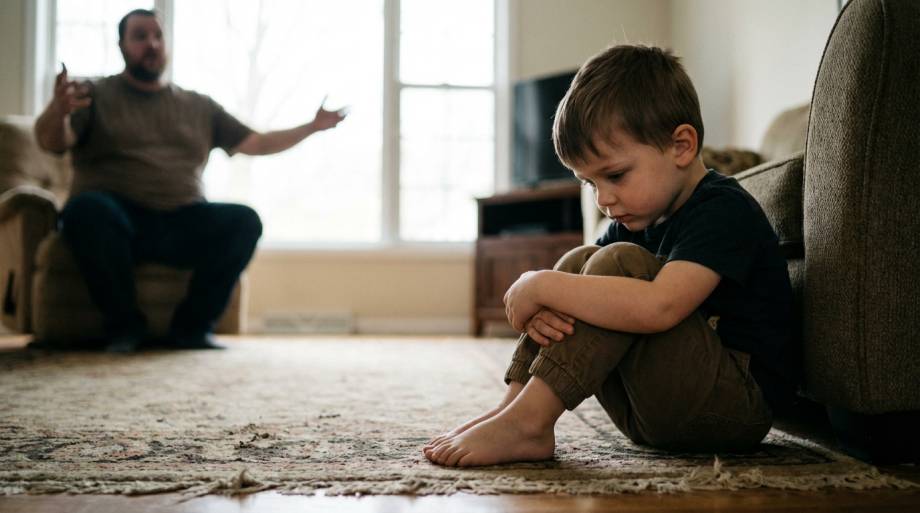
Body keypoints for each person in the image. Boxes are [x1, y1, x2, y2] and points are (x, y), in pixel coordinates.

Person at [424, 45, 797, 467]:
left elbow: (661, 306)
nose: (604, 198)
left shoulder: (723, 209)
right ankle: (514, 409)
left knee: (614, 265)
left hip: (733, 412)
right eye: (590, 183)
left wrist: (541, 284)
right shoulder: (637, 219)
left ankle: (528, 424)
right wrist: (554, 292)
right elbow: (580, 294)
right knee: (581, 263)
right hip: (650, 410)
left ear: (681, 146)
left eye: (615, 175)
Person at [34, 9, 347, 352]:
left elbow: (257, 142)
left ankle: (191, 329)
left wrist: (312, 127)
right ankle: (125, 328)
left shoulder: (199, 106)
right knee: (85, 210)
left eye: (158, 36)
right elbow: (53, 142)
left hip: (181, 220)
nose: (151, 44)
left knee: (244, 221)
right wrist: (57, 111)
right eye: (140, 36)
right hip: (116, 220)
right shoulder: (94, 94)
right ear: (121, 45)